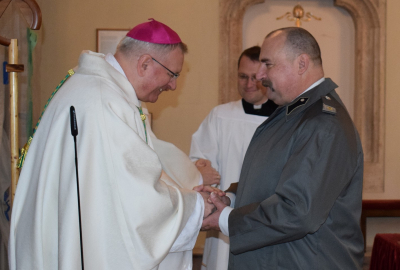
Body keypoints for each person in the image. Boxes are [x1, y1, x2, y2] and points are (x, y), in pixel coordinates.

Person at [9, 19, 219, 270]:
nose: (172, 85)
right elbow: (134, 204)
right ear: (145, 64)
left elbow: (143, 162)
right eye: (172, 75)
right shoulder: (104, 102)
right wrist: (195, 207)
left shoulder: (94, 89)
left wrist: (188, 190)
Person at [201, 27, 364, 269]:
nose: (259, 75)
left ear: (301, 64)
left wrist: (225, 219)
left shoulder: (323, 124)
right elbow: (274, 178)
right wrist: (231, 198)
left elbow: (298, 211)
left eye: (268, 64)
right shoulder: (296, 112)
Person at [190, 46, 277, 270]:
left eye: (255, 78)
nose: (248, 84)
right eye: (242, 76)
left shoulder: (282, 118)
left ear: (266, 77)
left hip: (267, 219)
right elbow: (199, 163)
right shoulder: (220, 116)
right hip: (224, 216)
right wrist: (200, 171)